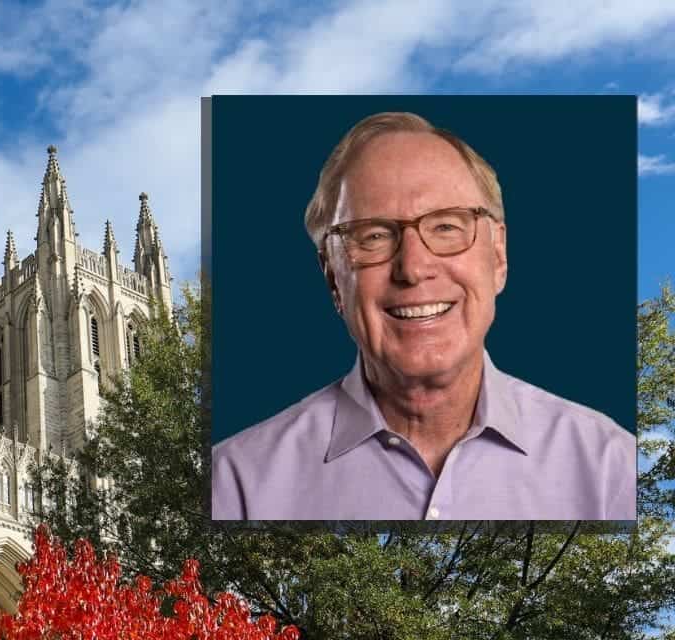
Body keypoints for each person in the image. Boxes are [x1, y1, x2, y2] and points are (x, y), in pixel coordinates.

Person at [211, 112, 636, 521]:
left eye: (447, 227)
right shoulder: (237, 481)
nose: (413, 268)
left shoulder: (609, 466)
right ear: (333, 278)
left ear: (499, 256)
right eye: (373, 236)